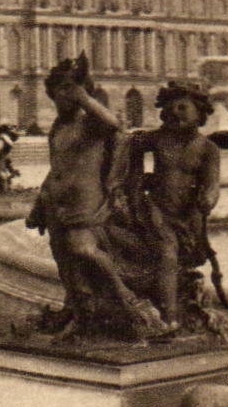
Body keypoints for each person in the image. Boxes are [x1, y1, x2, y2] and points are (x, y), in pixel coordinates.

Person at [25, 55, 164, 338]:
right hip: (57, 203)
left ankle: (134, 304)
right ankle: (82, 315)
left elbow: (114, 124)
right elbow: (57, 168)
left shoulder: (91, 123)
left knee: (84, 250)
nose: (64, 97)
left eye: (70, 90)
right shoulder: (57, 128)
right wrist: (40, 204)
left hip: (86, 203)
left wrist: (84, 98)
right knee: (67, 265)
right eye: (59, 92)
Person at [111, 79, 222, 330]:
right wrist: (135, 184)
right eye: (171, 108)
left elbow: (213, 183)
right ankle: (169, 318)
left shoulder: (208, 148)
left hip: (188, 216)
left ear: (200, 113)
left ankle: (172, 307)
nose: (175, 113)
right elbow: (129, 145)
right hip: (156, 211)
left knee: (177, 256)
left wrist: (209, 198)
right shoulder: (159, 139)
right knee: (168, 254)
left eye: (182, 108)